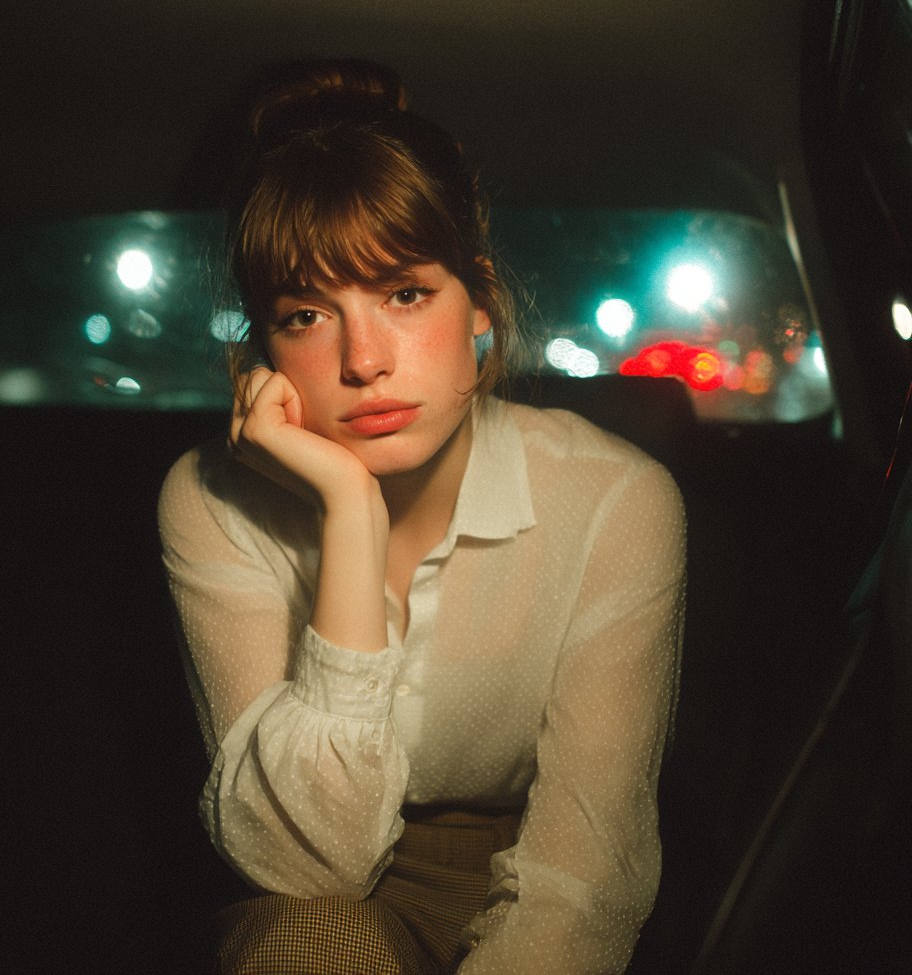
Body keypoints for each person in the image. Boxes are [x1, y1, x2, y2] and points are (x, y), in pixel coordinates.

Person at [158, 59, 685, 974]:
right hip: (334, 899)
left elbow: (585, 880)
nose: (363, 359)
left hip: (537, 885)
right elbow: (304, 868)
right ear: (261, 352)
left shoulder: (616, 499)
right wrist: (349, 513)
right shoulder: (209, 498)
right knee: (311, 941)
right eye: (307, 314)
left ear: (477, 301)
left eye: (404, 294)